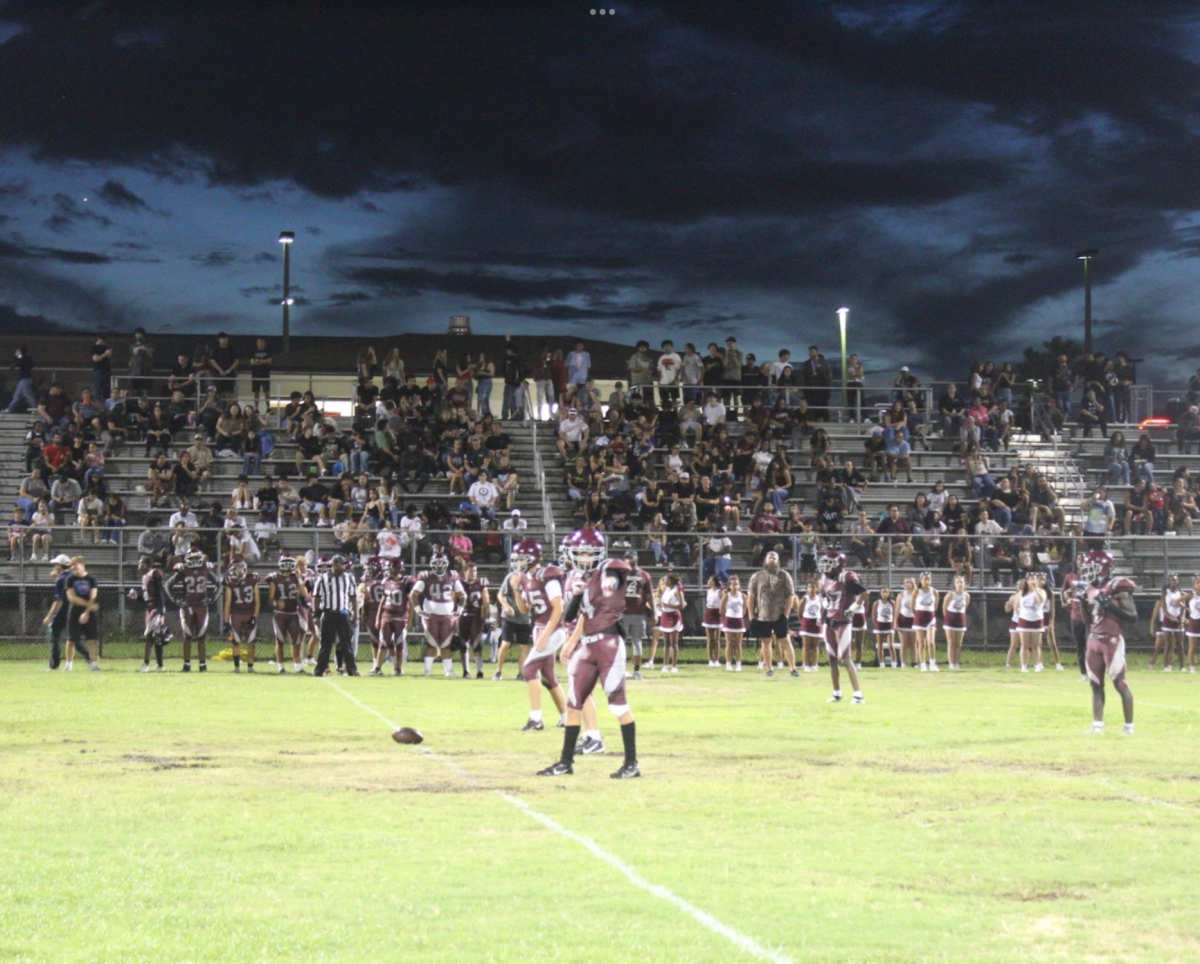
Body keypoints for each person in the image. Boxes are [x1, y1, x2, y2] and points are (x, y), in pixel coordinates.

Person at [536, 529, 640, 779]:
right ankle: (565, 762)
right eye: (581, 553)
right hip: (587, 646)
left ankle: (631, 764)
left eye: (589, 552)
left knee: (617, 706)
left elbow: (618, 572)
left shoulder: (609, 568)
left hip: (609, 644)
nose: (585, 557)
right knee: (574, 705)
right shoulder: (577, 577)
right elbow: (571, 616)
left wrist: (609, 582)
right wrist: (579, 594)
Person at [1079, 551, 1137, 735]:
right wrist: (1082, 603)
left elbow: (1133, 617)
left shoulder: (1117, 587)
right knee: (1095, 684)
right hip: (1094, 640)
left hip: (1111, 641)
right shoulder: (1089, 588)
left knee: (1119, 683)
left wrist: (1110, 605)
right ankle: (1097, 726)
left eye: (1091, 567)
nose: (1088, 572)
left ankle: (1129, 726)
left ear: (1103, 567)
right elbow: (1088, 622)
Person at [816, 550, 866, 703]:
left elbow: (864, 594)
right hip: (829, 621)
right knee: (831, 658)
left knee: (846, 659)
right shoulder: (825, 578)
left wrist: (852, 609)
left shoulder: (846, 577)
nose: (825, 566)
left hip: (843, 622)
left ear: (838, 564)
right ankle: (836, 693)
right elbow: (823, 594)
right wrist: (823, 610)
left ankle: (858, 695)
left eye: (829, 563)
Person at [409, 549, 465, 678]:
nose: (439, 565)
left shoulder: (452, 575)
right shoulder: (426, 576)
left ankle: (448, 671)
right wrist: (418, 610)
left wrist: (459, 611)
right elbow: (414, 594)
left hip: (447, 616)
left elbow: (463, 596)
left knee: (446, 644)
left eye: (441, 563)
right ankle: (427, 671)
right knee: (431, 644)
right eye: (437, 563)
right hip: (431, 616)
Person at [746, 550, 797, 678]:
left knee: (785, 641)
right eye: (770, 556)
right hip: (762, 615)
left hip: (779, 615)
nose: (772, 558)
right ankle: (769, 668)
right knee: (766, 641)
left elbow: (790, 596)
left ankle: (793, 668)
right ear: (765, 560)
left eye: (775, 557)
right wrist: (751, 616)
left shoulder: (784, 575)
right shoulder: (756, 576)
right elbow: (751, 597)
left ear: (778, 561)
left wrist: (786, 614)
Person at [167, 549, 218, 672]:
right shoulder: (183, 569)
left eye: (197, 558)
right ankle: (187, 665)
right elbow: (168, 585)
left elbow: (218, 584)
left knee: (201, 636)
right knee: (187, 637)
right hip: (188, 606)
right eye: (192, 559)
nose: (194, 561)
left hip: (201, 606)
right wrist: (176, 600)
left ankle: (202, 665)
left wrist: (212, 598)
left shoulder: (205, 568)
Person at [312, 554, 360, 677]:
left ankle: (352, 670)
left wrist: (356, 615)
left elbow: (353, 597)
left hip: (343, 614)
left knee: (346, 644)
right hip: (329, 613)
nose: (337, 565)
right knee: (325, 644)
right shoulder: (323, 578)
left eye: (340, 563)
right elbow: (316, 597)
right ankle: (319, 670)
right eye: (336, 563)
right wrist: (316, 614)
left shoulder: (349, 578)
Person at [494, 552, 533, 681]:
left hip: (524, 617)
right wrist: (506, 606)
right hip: (510, 616)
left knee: (523, 646)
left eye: (522, 560)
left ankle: (521, 673)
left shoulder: (531, 578)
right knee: (505, 643)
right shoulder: (511, 576)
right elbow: (501, 594)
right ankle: (498, 671)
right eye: (518, 560)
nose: (519, 563)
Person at [268, 554, 309, 675]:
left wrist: (299, 578)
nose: (287, 566)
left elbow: (303, 594)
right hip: (280, 614)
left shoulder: (296, 577)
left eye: (289, 563)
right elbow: (270, 599)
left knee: (296, 641)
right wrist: (276, 603)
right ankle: (280, 668)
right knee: (279, 641)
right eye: (285, 563)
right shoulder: (274, 578)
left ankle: (298, 667)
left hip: (293, 613)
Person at [372, 557, 411, 676]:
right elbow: (382, 601)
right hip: (387, 616)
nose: (388, 571)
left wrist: (410, 619)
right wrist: (378, 617)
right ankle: (377, 668)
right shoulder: (385, 582)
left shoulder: (406, 582)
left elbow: (411, 602)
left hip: (401, 617)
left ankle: (398, 668)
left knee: (399, 644)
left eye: (390, 568)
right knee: (383, 642)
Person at [620, 548, 654, 680]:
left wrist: (653, 613)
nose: (628, 560)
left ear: (636, 558)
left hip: (638, 613)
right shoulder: (621, 574)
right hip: (623, 613)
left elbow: (650, 595)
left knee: (637, 642)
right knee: (621, 642)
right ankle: (621, 669)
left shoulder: (644, 574)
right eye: (626, 557)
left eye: (630, 557)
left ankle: (637, 670)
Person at [64, 556, 101, 671]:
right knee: (71, 639)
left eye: (75, 565)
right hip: (75, 611)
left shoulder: (91, 579)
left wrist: (87, 612)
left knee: (92, 639)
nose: (73, 569)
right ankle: (68, 665)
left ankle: (94, 664)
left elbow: (93, 596)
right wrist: (88, 605)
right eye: (71, 566)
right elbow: (72, 597)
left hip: (89, 612)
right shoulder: (70, 580)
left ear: (82, 564)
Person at [223, 559, 260, 673]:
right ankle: (237, 667)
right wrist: (226, 622)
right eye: (237, 568)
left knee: (251, 642)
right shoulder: (230, 582)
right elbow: (227, 603)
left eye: (240, 567)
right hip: (236, 615)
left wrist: (254, 617)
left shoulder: (253, 579)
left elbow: (257, 601)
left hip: (249, 614)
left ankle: (250, 666)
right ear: (232, 570)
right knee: (236, 642)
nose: (239, 570)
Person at [41, 554, 76, 669]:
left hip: (61, 612)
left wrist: (49, 616)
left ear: (60, 565)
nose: (54, 566)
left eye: (56, 564)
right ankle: (90, 659)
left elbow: (58, 601)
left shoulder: (60, 580)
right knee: (74, 639)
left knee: (56, 638)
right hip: (73, 611)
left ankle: (54, 665)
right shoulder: (73, 577)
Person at [1149, 573, 1186, 672]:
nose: (1172, 582)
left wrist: (1181, 620)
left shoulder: (1182, 593)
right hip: (1167, 620)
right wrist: (1169, 617)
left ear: (1178, 581)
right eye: (1171, 580)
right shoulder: (1165, 592)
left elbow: (1184, 609)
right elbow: (1164, 608)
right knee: (1168, 645)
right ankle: (1166, 667)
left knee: (1180, 644)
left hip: (1178, 620)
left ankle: (1182, 667)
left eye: (1174, 580)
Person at [910, 571, 939, 672]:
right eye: (925, 579)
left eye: (929, 579)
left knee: (931, 642)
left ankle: (932, 663)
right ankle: (922, 664)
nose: (927, 581)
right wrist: (918, 616)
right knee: (921, 643)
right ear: (921, 580)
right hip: (919, 618)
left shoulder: (935, 592)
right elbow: (912, 607)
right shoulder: (917, 591)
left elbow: (935, 606)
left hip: (930, 618)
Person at [941, 575, 970, 670]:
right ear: (954, 584)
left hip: (960, 620)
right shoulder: (950, 594)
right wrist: (948, 617)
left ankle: (957, 663)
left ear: (964, 584)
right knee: (951, 643)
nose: (960, 584)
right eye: (958, 582)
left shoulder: (966, 596)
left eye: (961, 582)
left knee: (958, 644)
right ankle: (951, 663)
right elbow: (944, 608)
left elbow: (965, 608)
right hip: (950, 619)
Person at [720, 573, 747, 672]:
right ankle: (728, 664)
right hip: (729, 620)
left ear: (739, 585)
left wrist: (739, 615)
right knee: (729, 643)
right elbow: (721, 610)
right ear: (729, 586)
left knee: (738, 643)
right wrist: (726, 617)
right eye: (732, 584)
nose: (735, 586)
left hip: (739, 620)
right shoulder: (726, 596)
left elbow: (744, 609)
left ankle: (738, 664)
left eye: (736, 584)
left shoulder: (743, 596)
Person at [5, 346, 38, 413]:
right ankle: (10, 408)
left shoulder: (26, 358)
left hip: (25, 379)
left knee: (28, 395)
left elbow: (20, 362)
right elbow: (18, 362)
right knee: (17, 396)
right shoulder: (25, 358)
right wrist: (17, 356)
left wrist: (18, 355)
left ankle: (35, 408)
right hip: (23, 380)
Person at [871, 586, 897, 668]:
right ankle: (882, 664)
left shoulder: (892, 602)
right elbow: (873, 615)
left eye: (887, 592)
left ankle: (894, 664)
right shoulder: (877, 603)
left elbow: (895, 614)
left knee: (891, 646)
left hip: (889, 625)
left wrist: (894, 623)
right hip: (880, 625)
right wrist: (876, 624)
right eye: (883, 592)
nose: (885, 594)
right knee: (880, 646)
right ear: (880, 593)